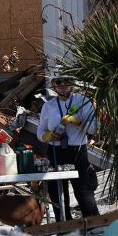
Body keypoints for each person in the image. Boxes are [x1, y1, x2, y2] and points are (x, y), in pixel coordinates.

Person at [37, 73, 100, 221]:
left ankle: (93, 224)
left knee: (83, 190)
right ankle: (64, 227)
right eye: (59, 82)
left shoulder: (83, 101)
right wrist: (46, 136)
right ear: (54, 85)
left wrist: (78, 122)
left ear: (73, 84)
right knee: (57, 191)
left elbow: (93, 129)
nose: (63, 85)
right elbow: (40, 131)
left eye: (67, 82)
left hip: (77, 150)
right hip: (55, 151)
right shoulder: (48, 105)